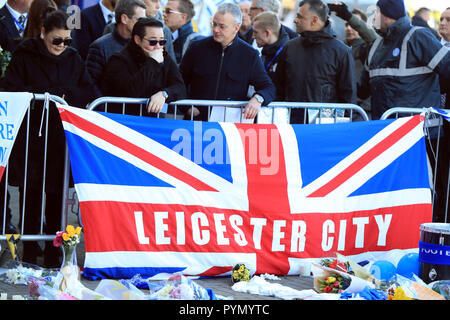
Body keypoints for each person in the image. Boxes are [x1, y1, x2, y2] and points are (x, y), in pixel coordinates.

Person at [1, 10, 97, 267]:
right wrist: (42, 96)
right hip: (31, 135)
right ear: (43, 33)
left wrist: (60, 94)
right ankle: (29, 250)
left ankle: (55, 251)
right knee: (30, 194)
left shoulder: (73, 57)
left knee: (56, 195)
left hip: (58, 138)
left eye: (67, 41)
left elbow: (88, 89)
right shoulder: (25, 54)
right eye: (57, 40)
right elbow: (9, 86)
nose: (62, 46)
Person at [179, 2, 276, 121]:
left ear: (236, 27)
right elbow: (179, 81)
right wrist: (187, 107)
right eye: (214, 24)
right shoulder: (196, 48)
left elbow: (268, 87)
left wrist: (258, 99)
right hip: (196, 122)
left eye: (222, 26)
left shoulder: (250, 55)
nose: (215, 29)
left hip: (229, 127)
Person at [357, 0, 450, 120]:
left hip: (419, 132)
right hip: (384, 130)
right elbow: (362, 89)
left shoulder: (418, 37)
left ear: (387, 16)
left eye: (377, 12)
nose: (374, 17)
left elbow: (447, 67)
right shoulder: (375, 46)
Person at [274, 0, 356, 124]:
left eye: (300, 16)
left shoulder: (342, 52)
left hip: (324, 131)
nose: (295, 20)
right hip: (291, 127)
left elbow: (348, 97)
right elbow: (278, 88)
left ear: (314, 20)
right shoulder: (289, 48)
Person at [100, 17, 186, 115]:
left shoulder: (164, 57)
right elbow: (133, 92)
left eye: (162, 42)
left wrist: (164, 94)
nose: (158, 47)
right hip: (123, 121)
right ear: (137, 39)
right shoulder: (118, 60)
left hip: (153, 121)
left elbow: (180, 87)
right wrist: (153, 62)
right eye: (153, 42)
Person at [86, 0, 147, 94]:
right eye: (140, 20)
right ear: (124, 19)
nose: (144, 25)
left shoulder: (147, 44)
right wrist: (104, 107)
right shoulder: (100, 47)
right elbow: (90, 83)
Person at [328, 2, 377, 118]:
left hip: (359, 109)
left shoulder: (368, 47)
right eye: (346, 25)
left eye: (353, 25)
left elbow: (373, 38)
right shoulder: (339, 47)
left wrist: (347, 16)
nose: (349, 28)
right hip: (339, 107)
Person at [251, 11, 289, 83]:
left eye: (256, 32)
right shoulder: (267, 50)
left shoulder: (287, 55)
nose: (253, 36)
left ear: (267, 33)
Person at [163, 0, 201, 65]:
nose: (164, 14)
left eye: (168, 11)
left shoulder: (195, 43)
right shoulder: (162, 35)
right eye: (163, 11)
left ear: (183, 17)